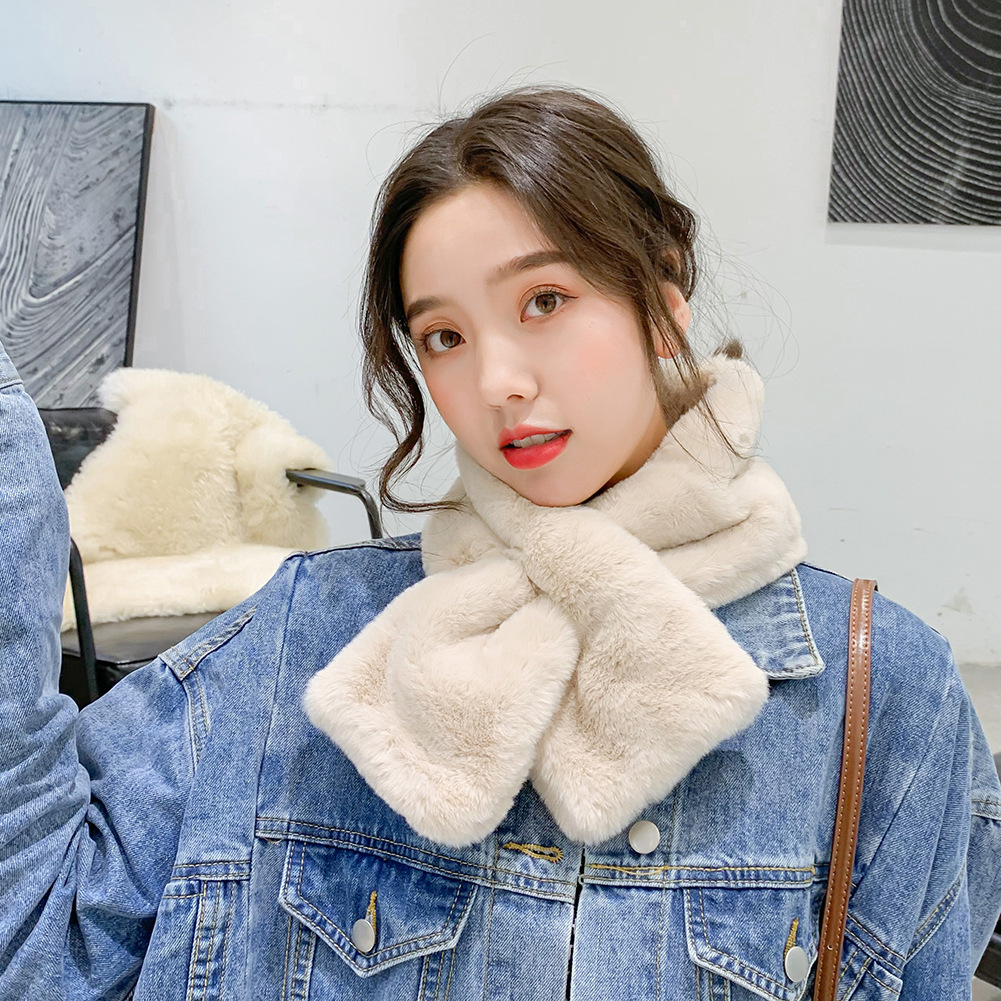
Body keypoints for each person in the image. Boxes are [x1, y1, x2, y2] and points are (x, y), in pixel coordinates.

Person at [1, 86, 999, 1000]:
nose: (495, 382)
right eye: (444, 336)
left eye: (543, 301)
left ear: (661, 300)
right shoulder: (303, 641)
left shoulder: (881, 693)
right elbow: (39, 939)